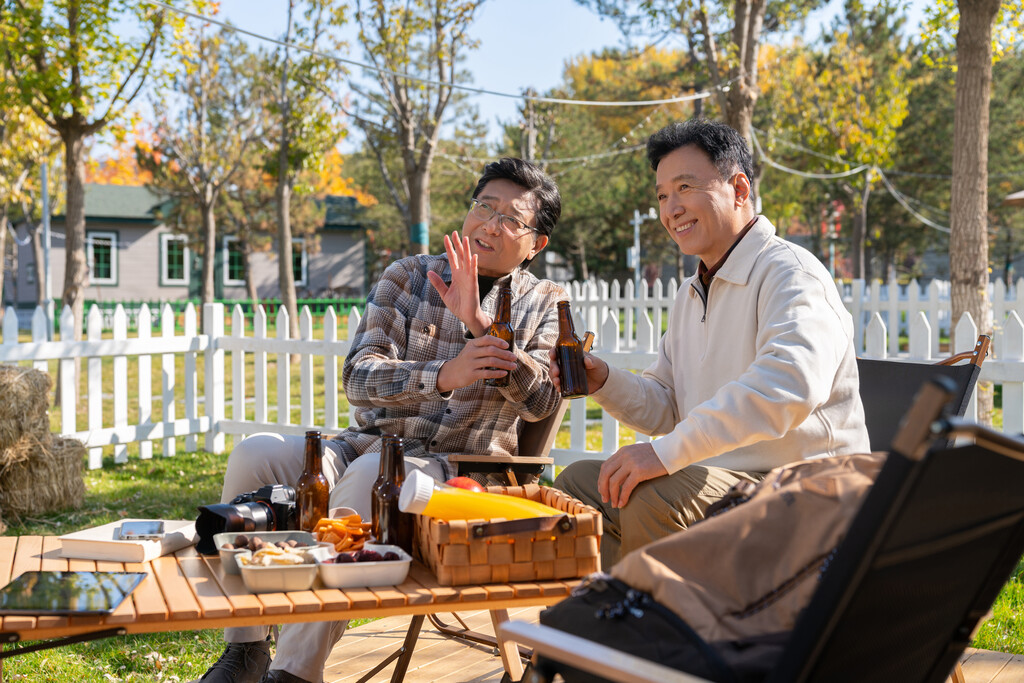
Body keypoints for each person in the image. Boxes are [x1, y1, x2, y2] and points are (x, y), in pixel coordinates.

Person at [192, 157, 565, 683]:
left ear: (535, 245)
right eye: (485, 206)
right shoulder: (408, 276)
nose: (490, 223)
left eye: (511, 219)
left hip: (458, 468)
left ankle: (295, 671)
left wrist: (480, 324)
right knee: (253, 453)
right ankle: (246, 647)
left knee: (372, 481)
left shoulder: (546, 303)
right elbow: (358, 378)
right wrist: (442, 374)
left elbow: (544, 401)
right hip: (361, 444)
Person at [551, 119, 870, 569]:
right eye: (662, 195)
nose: (671, 208)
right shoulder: (691, 293)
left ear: (739, 189)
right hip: (723, 480)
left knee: (653, 497)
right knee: (580, 485)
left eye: (685, 187)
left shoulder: (790, 273)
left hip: (809, 492)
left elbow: (787, 387)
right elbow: (666, 405)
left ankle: (658, 629)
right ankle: (603, 618)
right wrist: (602, 379)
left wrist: (665, 455)